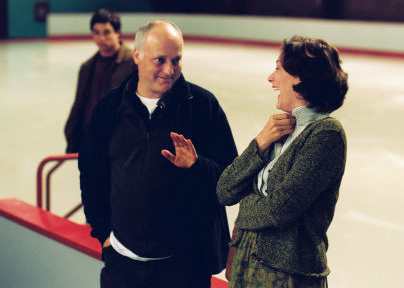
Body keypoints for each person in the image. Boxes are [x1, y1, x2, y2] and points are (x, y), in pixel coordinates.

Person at [79, 20, 238, 288]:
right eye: (160, 60)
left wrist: (197, 165)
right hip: (122, 264)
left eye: (176, 60)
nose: (169, 70)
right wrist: (103, 232)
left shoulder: (202, 107)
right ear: (138, 56)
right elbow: (91, 174)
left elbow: (232, 180)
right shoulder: (110, 108)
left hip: (184, 268)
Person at [217, 35, 348, 288]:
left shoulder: (325, 134)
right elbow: (225, 191)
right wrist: (260, 143)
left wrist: (245, 206)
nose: (270, 78)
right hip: (248, 261)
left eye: (278, 68)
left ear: (298, 76)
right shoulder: (281, 128)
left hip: (289, 273)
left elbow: (280, 210)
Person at [64, 8, 136, 153]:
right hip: (91, 136)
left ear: (117, 33)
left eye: (106, 32)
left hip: (119, 140)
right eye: (96, 33)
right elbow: (80, 103)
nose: (101, 38)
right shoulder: (87, 67)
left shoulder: (133, 63)